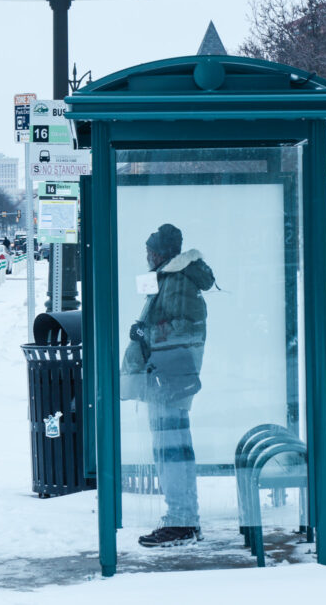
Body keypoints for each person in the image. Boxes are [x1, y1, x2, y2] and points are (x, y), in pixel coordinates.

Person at [121, 223, 215, 548]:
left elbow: (186, 329)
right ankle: (182, 518)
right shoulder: (169, 279)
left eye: (150, 250)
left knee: (172, 451)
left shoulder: (177, 281)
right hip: (165, 378)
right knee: (171, 450)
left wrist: (145, 334)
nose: (146, 256)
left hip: (169, 380)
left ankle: (182, 521)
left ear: (161, 253)